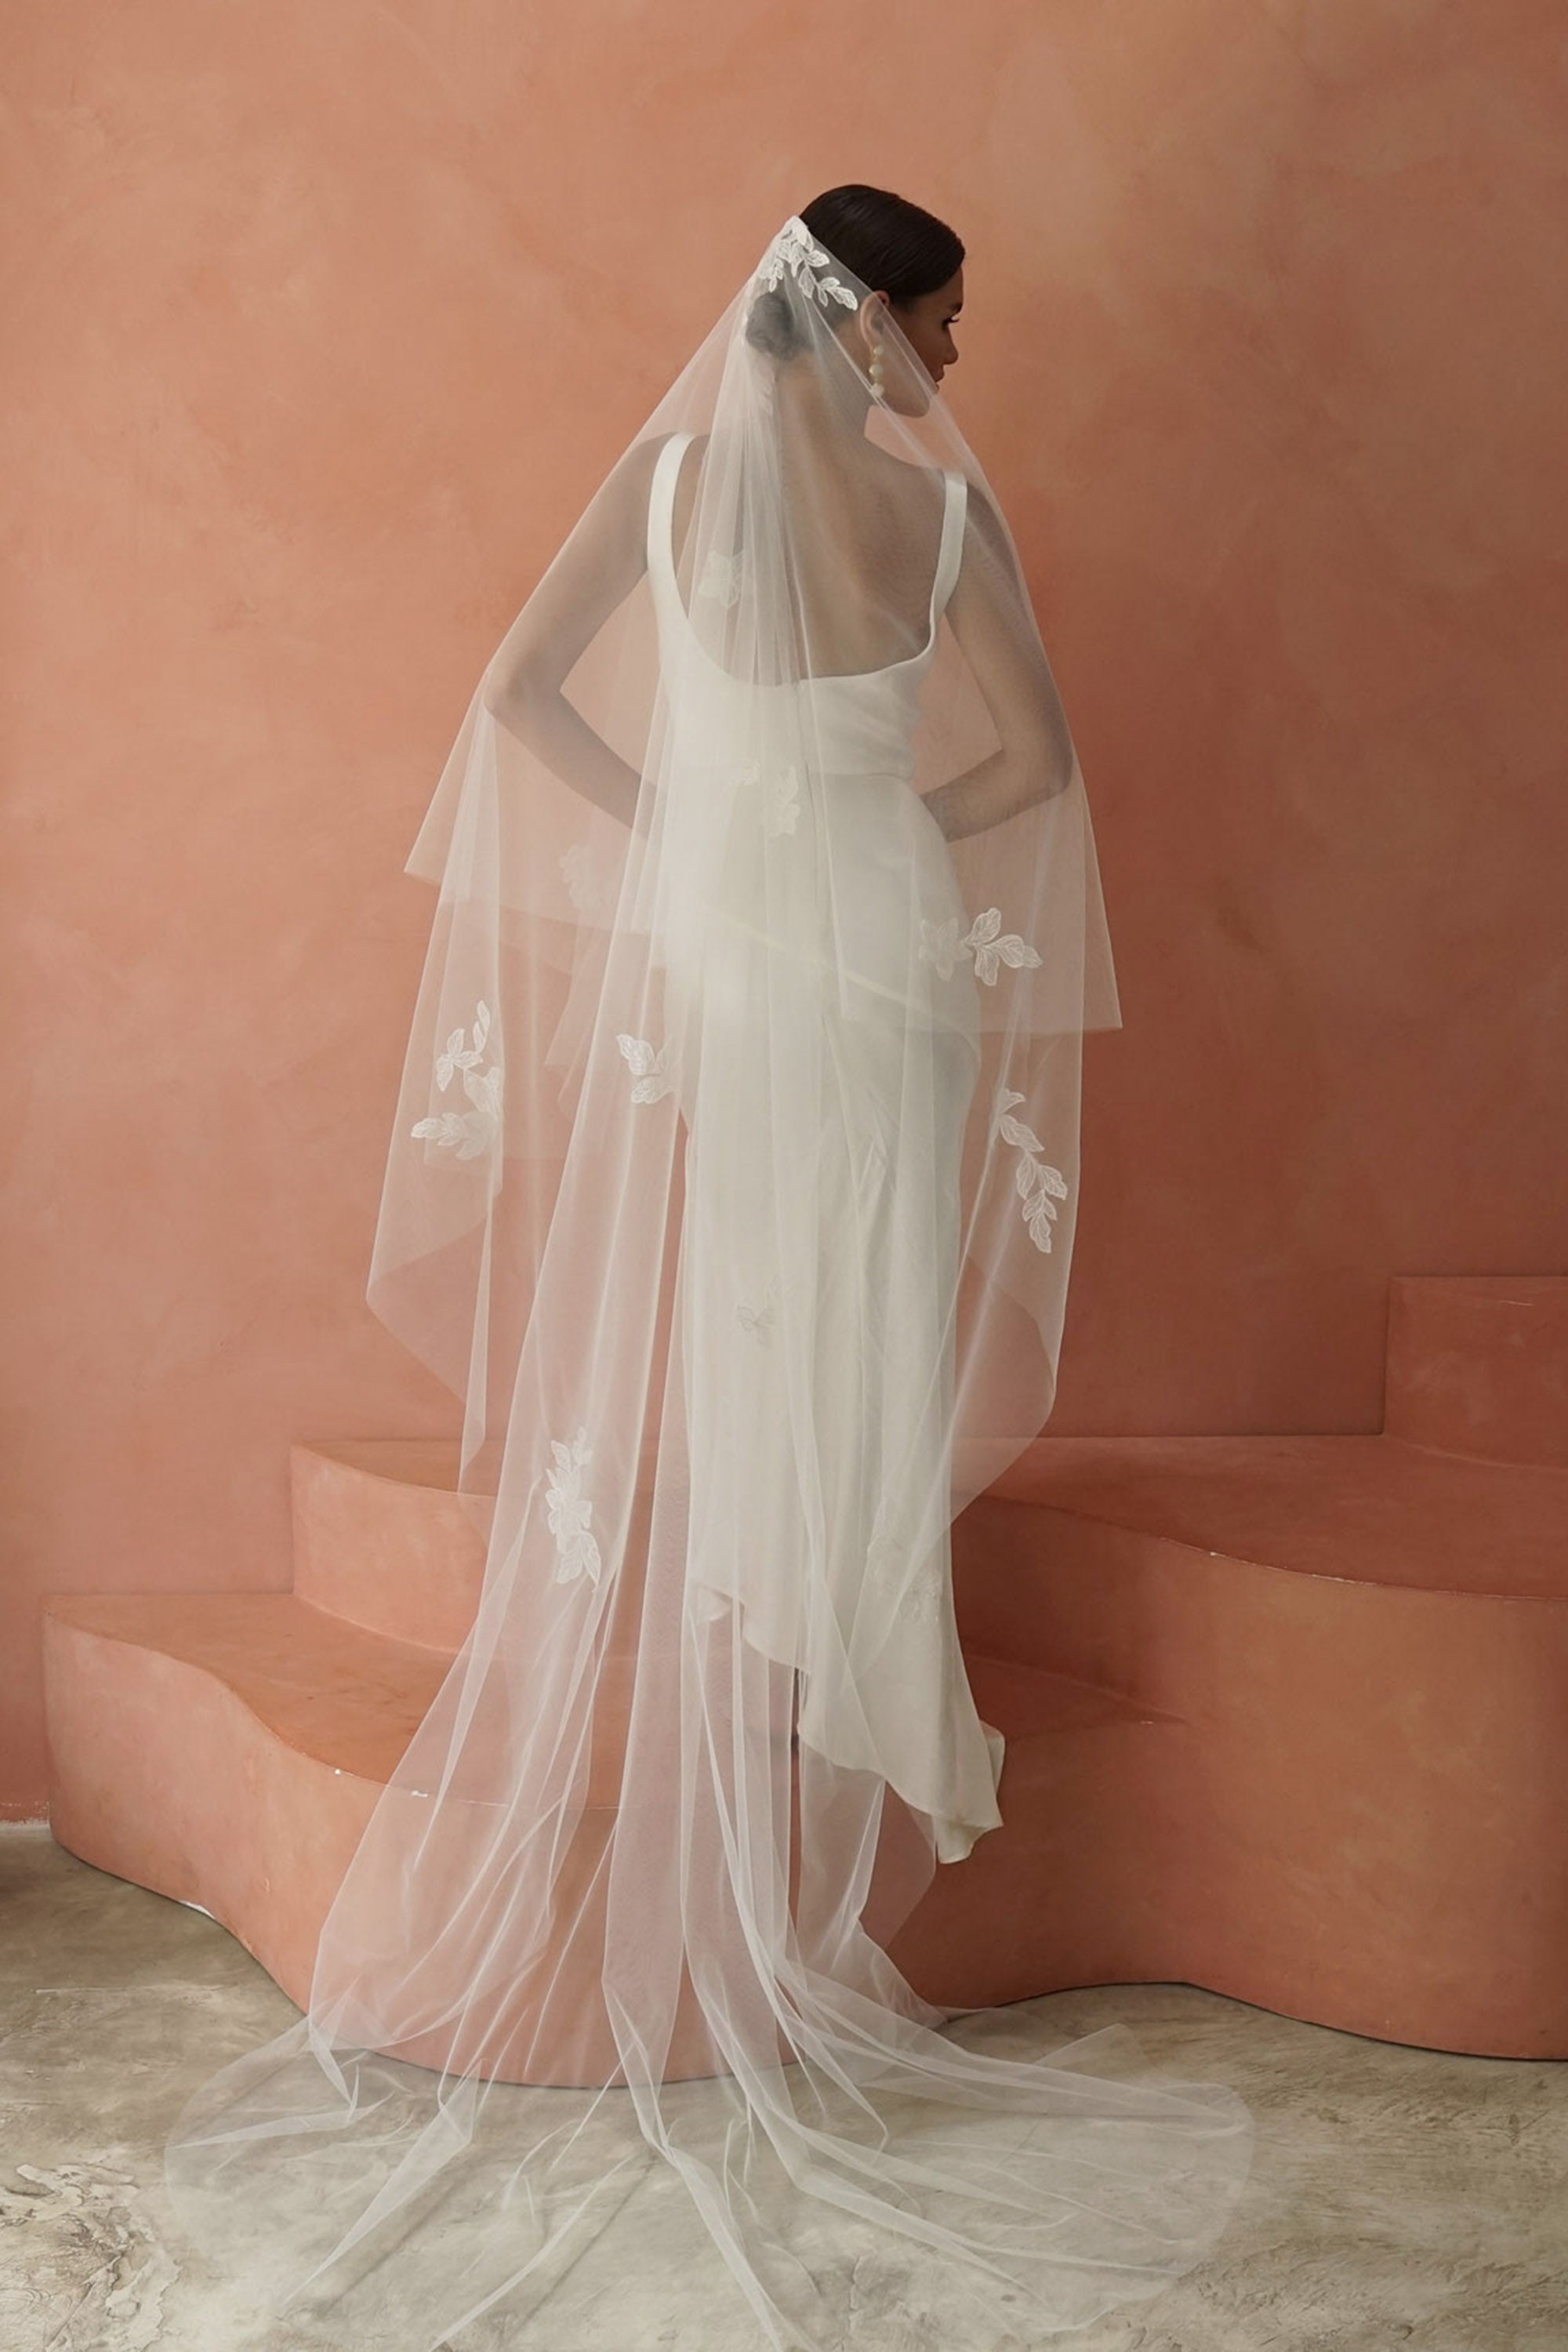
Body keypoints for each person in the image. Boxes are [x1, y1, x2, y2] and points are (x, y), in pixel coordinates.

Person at [166, 184, 1253, 2350]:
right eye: (945, 322)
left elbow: (516, 700)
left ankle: (777, 1689)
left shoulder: (669, 486)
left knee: (752, 1319)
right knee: (862, 1328)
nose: (960, 359)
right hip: (887, 965)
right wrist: (879, 834)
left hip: (736, 971)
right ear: (865, 326)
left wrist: (693, 829)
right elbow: (1032, 768)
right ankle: (840, 1684)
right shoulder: (951, 528)